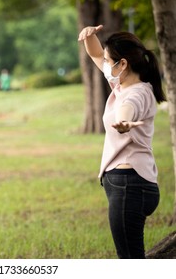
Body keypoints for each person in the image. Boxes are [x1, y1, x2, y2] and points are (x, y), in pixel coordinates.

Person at [78, 25, 166, 258]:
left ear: (123, 64)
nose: (106, 65)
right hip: (133, 183)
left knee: (129, 261)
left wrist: (123, 121)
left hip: (129, 184)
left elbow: (127, 110)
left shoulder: (136, 93)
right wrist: (90, 36)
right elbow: (96, 54)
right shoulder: (122, 84)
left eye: (110, 61)